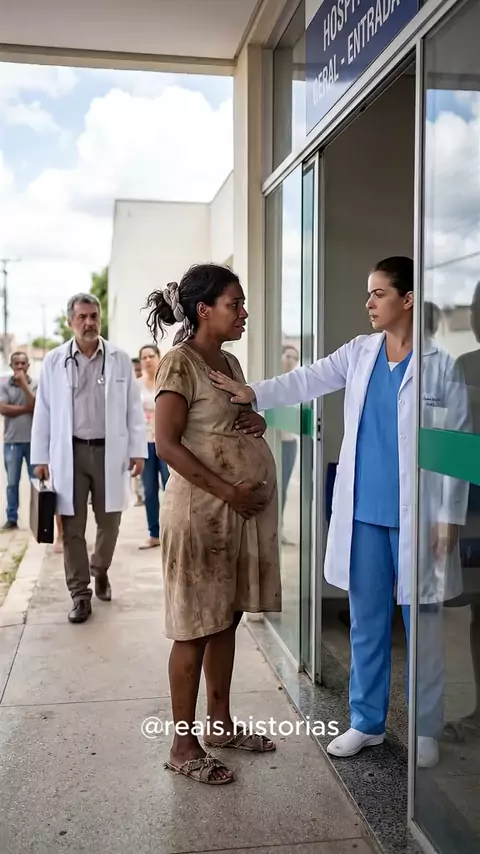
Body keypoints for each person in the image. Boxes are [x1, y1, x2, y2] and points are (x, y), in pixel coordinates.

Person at [211, 256, 469, 768]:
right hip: (365, 514)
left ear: (407, 300)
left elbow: (457, 446)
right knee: (366, 622)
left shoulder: (442, 366)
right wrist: (254, 392)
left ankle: (425, 727)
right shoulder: (360, 352)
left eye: (378, 293)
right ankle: (366, 723)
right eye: (369, 293)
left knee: (422, 626)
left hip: (418, 517)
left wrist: (448, 517)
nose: (368, 302)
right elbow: (308, 379)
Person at [146, 263, 280, 785]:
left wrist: (257, 420)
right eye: (234, 304)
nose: (243, 312)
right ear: (204, 310)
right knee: (194, 629)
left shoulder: (229, 361)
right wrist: (229, 491)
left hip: (234, 517)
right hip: (200, 517)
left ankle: (219, 725)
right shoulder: (179, 364)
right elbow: (167, 444)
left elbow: (230, 422)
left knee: (226, 619)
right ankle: (183, 746)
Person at [31, 293, 147, 624]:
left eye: (93, 316)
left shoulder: (119, 358)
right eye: (82, 317)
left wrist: (138, 449)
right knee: (72, 526)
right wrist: (40, 456)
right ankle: (80, 594)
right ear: (70, 322)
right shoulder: (54, 361)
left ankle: (100, 569)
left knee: (110, 522)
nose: (89, 322)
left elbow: (133, 407)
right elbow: (44, 411)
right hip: (70, 452)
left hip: (111, 451)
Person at [137, 344, 170, 549]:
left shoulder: (167, 380)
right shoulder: (136, 386)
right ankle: (154, 533)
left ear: (159, 357)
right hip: (145, 443)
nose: (148, 360)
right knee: (149, 490)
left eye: (151, 356)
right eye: (144, 357)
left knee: (170, 487)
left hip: (167, 441)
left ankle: (172, 531)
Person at [0, 351, 36, 530]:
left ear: (28, 365)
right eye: (17, 363)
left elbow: (36, 406)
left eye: (23, 363)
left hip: (34, 442)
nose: (20, 367)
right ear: (11, 366)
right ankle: (12, 518)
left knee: (36, 482)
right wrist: (26, 408)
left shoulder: (36, 384)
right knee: (12, 482)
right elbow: (3, 409)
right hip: (12, 441)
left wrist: (24, 386)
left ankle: (38, 518)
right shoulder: (4, 384)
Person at [280, 345, 299, 545]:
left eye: (295, 357)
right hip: (276, 442)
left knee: (284, 487)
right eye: (288, 355)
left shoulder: (296, 384)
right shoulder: (276, 383)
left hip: (289, 443)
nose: (291, 360)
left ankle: (280, 528)